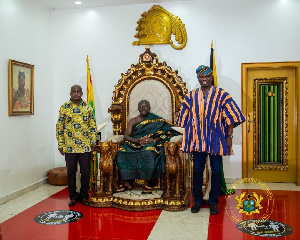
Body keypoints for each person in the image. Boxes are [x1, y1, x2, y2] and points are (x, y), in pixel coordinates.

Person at [176, 65, 245, 215]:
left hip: (216, 139)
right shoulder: (191, 95)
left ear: (211, 77)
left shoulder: (221, 94)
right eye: (202, 77)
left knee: (216, 171)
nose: (205, 79)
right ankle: (198, 201)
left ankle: (213, 202)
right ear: (198, 79)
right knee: (197, 171)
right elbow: (183, 119)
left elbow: (231, 116)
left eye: (207, 76)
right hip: (197, 140)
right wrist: (187, 140)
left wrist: (229, 136)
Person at [115, 100, 178, 194]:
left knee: (148, 152)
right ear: (138, 109)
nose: (143, 108)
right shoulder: (133, 120)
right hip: (134, 143)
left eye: (145, 107)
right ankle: (127, 182)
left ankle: (147, 182)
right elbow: (126, 136)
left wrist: (153, 140)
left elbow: (169, 131)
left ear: (149, 108)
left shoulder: (156, 120)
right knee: (121, 152)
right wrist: (137, 141)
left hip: (149, 144)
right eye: (140, 107)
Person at [56, 85, 96, 206]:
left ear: (82, 93)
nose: (76, 94)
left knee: (85, 172)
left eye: (78, 92)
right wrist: (61, 144)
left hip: (85, 146)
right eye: (74, 91)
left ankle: (84, 196)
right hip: (69, 146)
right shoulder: (64, 107)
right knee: (72, 171)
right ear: (70, 93)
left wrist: (93, 141)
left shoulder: (87, 108)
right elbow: (59, 127)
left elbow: (92, 126)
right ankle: (73, 196)